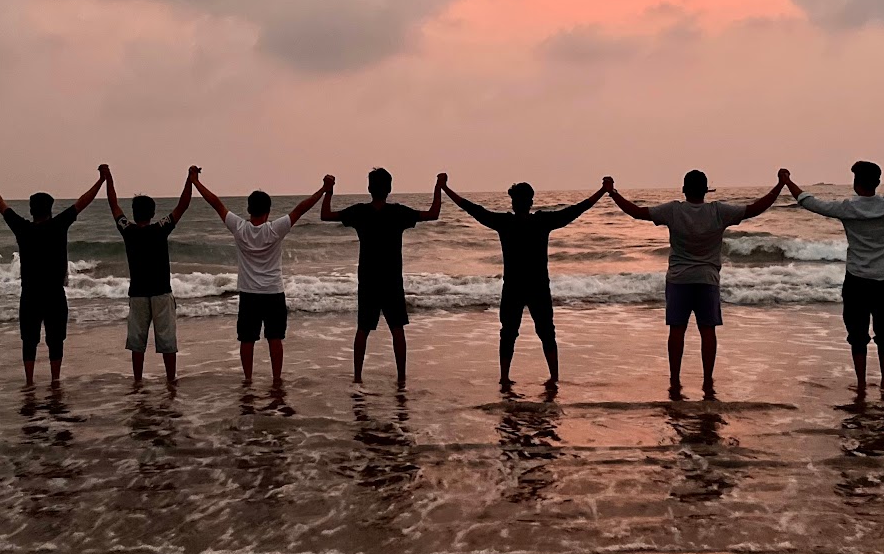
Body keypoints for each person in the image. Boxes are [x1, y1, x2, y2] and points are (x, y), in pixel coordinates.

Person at [609, 169, 787, 395]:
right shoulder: (718, 211)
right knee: (708, 331)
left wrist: (613, 193)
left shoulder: (673, 210)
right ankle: (707, 379)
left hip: (678, 279)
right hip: (707, 280)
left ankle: (674, 379)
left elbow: (636, 212)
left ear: (684, 190)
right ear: (706, 190)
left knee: (677, 330)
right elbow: (754, 209)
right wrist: (780, 186)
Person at [783, 158, 884, 392]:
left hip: (856, 280)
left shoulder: (847, 208)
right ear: (878, 182)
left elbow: (810, 202)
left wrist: (787, 181)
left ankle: (861, 383)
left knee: (857, 335)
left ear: (855, 182)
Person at [441, 175, 607, 388]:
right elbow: (576, 210)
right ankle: (553, 377)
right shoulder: (541, 221)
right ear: (531, 202)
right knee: (545, 331)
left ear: (515, 202)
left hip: (514, 287)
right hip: (537, 286)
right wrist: (603, 191)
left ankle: (504, 377)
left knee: (509, 332)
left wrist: (446, 188)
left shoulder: (505, 222)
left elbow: (472, 209)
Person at [191, 167, 328, 387]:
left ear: (248, 209)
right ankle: (276, 380)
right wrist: (323, 189)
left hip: (249, 294)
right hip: (273, 292)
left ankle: (248, 380)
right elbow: (301, 208)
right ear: (269, 211)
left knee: (247, 339)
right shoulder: (275, 229)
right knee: (275, 338)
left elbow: (216, 203)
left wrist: (195, 182)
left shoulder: (240, 228)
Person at [0, 165, 108, 387]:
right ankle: (55, 380)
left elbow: (0, 203)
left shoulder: (23, 228)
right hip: (54, 294)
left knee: (29, 341)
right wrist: (101, 180)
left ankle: (29, 382)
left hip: (29, 294)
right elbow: (82, 202)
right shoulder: (58, 225)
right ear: (50, 209)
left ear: (31, 210)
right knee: (56, 340)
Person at [322, 168, 444, 386]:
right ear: (389, 189)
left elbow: (325, 215)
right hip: (392, 279)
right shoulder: (397, 213)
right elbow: (433, 214)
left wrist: (328, 190)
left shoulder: (359, 212)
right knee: (397, 328)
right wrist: (438, 188)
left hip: (368, 279)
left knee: (363, 329)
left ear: (369, 188)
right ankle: (401, 378)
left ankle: (357, 377)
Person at [108, 166, 195, 385]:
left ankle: (138, 381)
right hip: (161, 293)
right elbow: (183, 205)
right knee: (167, 341)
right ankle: (170, 381)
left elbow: (113, 205)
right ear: (153, 213)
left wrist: (107, 178)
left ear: (134, 213)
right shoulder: (160, 229)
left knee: (137, 342)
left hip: (138, 294)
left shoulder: (128, 230)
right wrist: (190, 178)